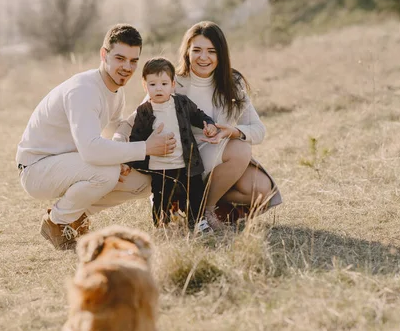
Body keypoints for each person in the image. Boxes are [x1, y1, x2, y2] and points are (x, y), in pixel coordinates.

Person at [16, 24, 176, 251]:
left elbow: (116, 129)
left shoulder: (116, 91)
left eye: (133, 61)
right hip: (36, 168)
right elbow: (91, 150)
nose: (127, 67)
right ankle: (56, 222)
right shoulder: (84, 90)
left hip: (70, 163)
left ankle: (76, 216)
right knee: (107, 171)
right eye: (120, 58)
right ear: (104, 54)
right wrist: (145, 148)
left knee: (144, 183)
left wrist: (145, 112)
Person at [117, 21, 282, 230]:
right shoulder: (173, 81)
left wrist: (233, 131)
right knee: (241, 150)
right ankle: (207, 210)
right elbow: (134, 120)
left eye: (211, 51)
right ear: (187, 52)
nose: (203, 58)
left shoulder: (232, 82)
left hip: (216, 156)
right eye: (197, 50)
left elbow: (259, 130)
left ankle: (198, 203)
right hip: (182, 160)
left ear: (221, 54)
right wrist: (118, 148)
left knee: (261, 190)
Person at [126, 57, 218, 232]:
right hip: (159, 167)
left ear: (173, 84)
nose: (158, 88)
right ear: (145, 86)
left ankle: (198, 222)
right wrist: (130, 161)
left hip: (187, 163)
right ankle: (162, 225)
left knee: (196, 194)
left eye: (164, 83)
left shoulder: (181, 103)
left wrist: (209, 124)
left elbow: (199, 115)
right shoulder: (144, 111)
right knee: (161, 197)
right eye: (152, 84)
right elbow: (136, 138)